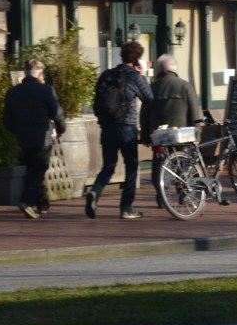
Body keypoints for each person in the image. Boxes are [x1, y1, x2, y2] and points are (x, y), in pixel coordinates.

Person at [86, 41, 153, 220]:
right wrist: (143, 75)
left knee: (109, 165)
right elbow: (150, 99)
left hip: (107, 127)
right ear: (137, 59)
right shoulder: (135, 77)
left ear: (121, 56)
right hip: (126, 127)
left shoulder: (106, 75)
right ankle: (126, 207)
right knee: (131, 167)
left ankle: (95, 191)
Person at [2, 59, 66, 219]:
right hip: (42, 137)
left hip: (23, 137)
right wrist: (61, 129)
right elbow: (56, 113)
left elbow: (6, 119)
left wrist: (16, 131)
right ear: (40, 73)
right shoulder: (46, 90)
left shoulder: (13, 92)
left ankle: (43, 204)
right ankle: (26, 201)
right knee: (39, 169)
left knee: (33, 169)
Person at [142, 53, 203, 208]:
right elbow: (195, 111)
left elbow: (144, 113)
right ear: (174, 68)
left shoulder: (152, 87)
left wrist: (145, 135)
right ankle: (185, 194)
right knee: (185, 164)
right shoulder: (184, 85)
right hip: (182, 134)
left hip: (159, 135)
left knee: (160, 164)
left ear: (159, 69)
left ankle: (163, 196)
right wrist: (197, 131)